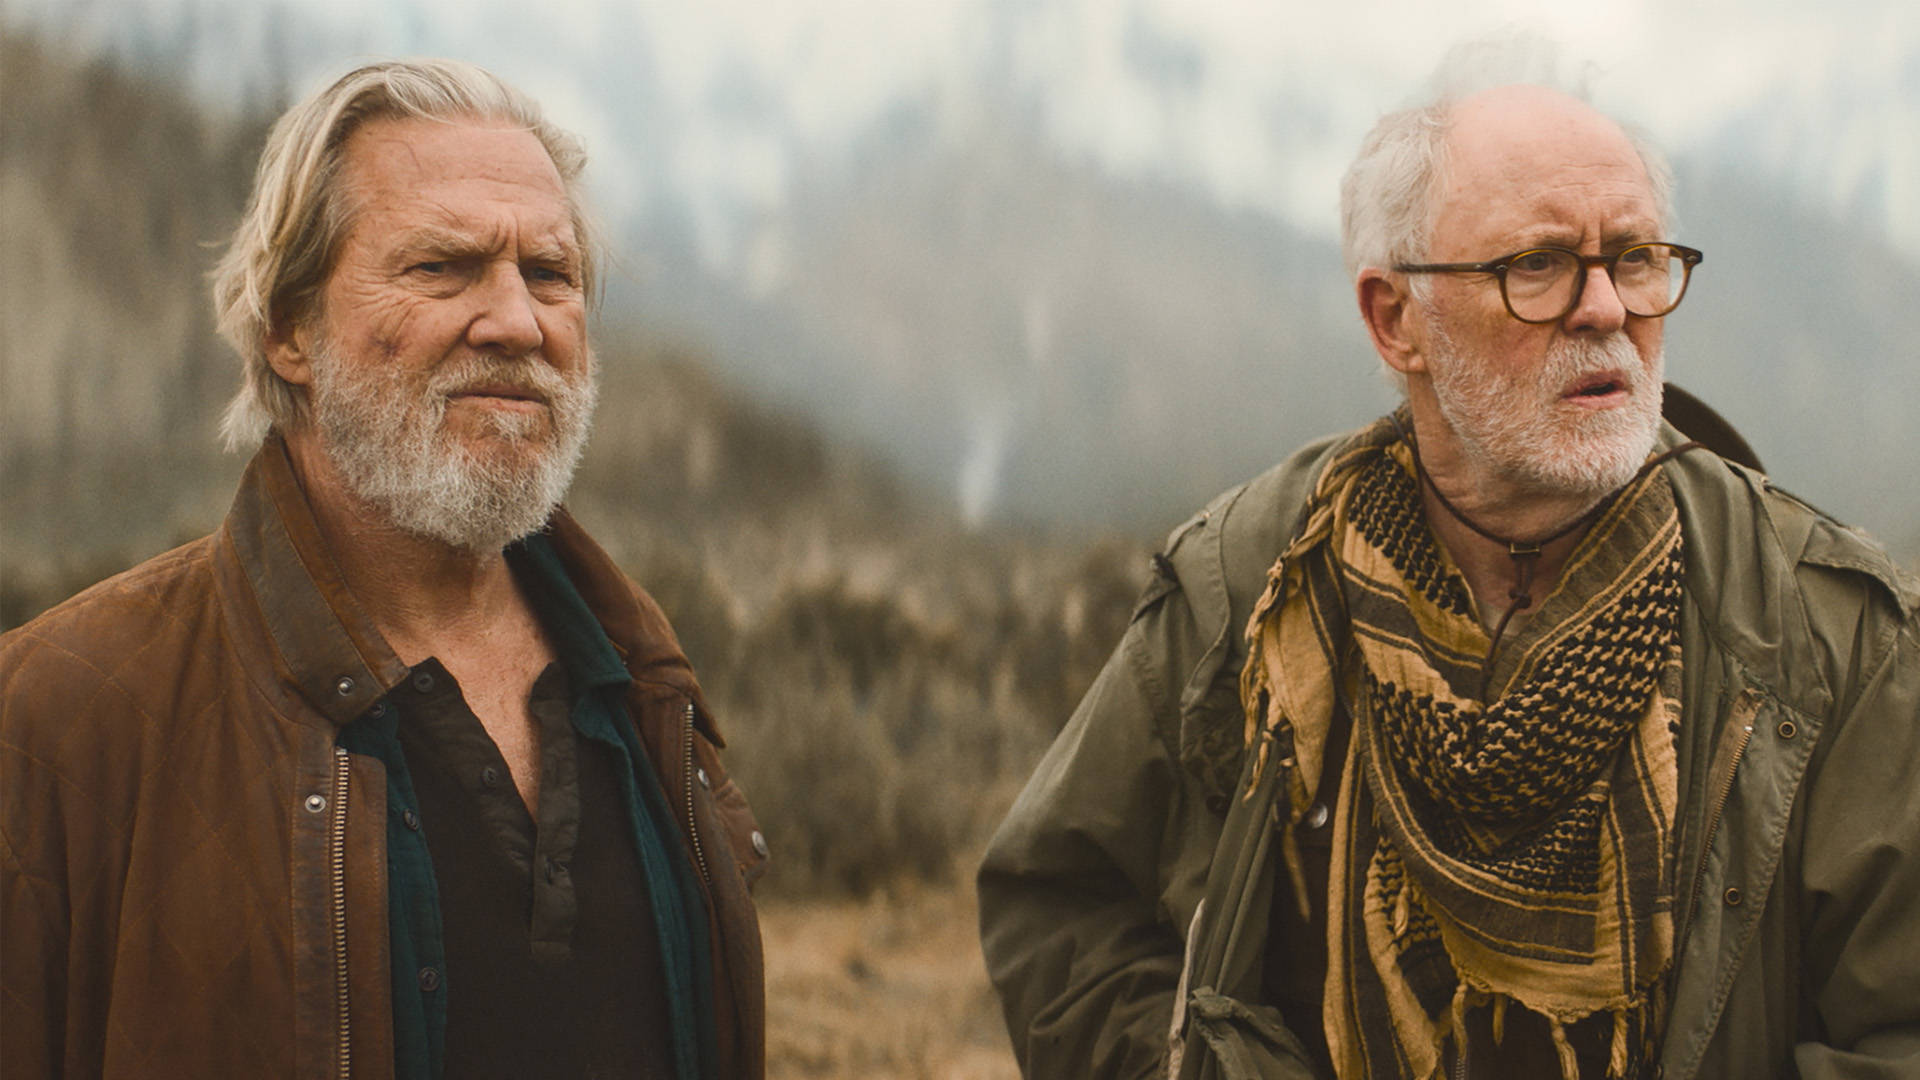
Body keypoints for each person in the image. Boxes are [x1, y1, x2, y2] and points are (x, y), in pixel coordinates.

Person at [977, 54, 1920, 1080]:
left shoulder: (1828, 629)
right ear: (1396, 320)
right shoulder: (1248, 580)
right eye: (1538, 264)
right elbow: (1064, 903)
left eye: (1636, 258)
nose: (1606, 307)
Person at [1, 59, 768, 1080]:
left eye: (550, 273)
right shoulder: (57, 717)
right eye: (442, 266)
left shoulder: (643, 689)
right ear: (288, 330)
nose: (518, 321)